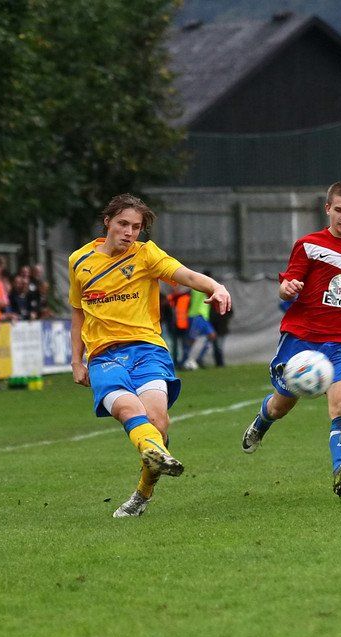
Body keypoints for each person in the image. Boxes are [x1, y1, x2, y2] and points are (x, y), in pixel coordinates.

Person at [69, 193, 231, 518]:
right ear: (107, 222)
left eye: (136, 227)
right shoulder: (79, 261)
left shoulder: (146, 254)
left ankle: (143, 492)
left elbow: (185, 275)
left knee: (158, 422)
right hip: (104, 355)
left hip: (147, 349)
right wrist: (76, 360)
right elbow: (78, 312)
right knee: (128, 409)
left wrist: (216, 287)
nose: (129, 232)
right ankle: (153, 450)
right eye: (123, 224)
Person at [240, 181, 341, 497]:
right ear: (327, 209)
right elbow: (287, 284)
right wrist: (287, 289)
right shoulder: (308, 245)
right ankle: (261, 423)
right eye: (339, 210)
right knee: (281, 406)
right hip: (304, 339)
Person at [182, 271, 217, 370]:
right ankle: (185, 360)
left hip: (203, 317)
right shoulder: (200, 286)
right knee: (192, 339)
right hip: (196, 315)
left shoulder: (201, 286)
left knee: (212, 336)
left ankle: (199, 359)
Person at [209, 292, 233, 367]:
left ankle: (220, 363)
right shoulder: (212, 305)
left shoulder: (226, 303)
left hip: (221, 328)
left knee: (219, 346)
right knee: (216, 346)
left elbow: (231, 312)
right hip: (215, 328)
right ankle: (219, 363)